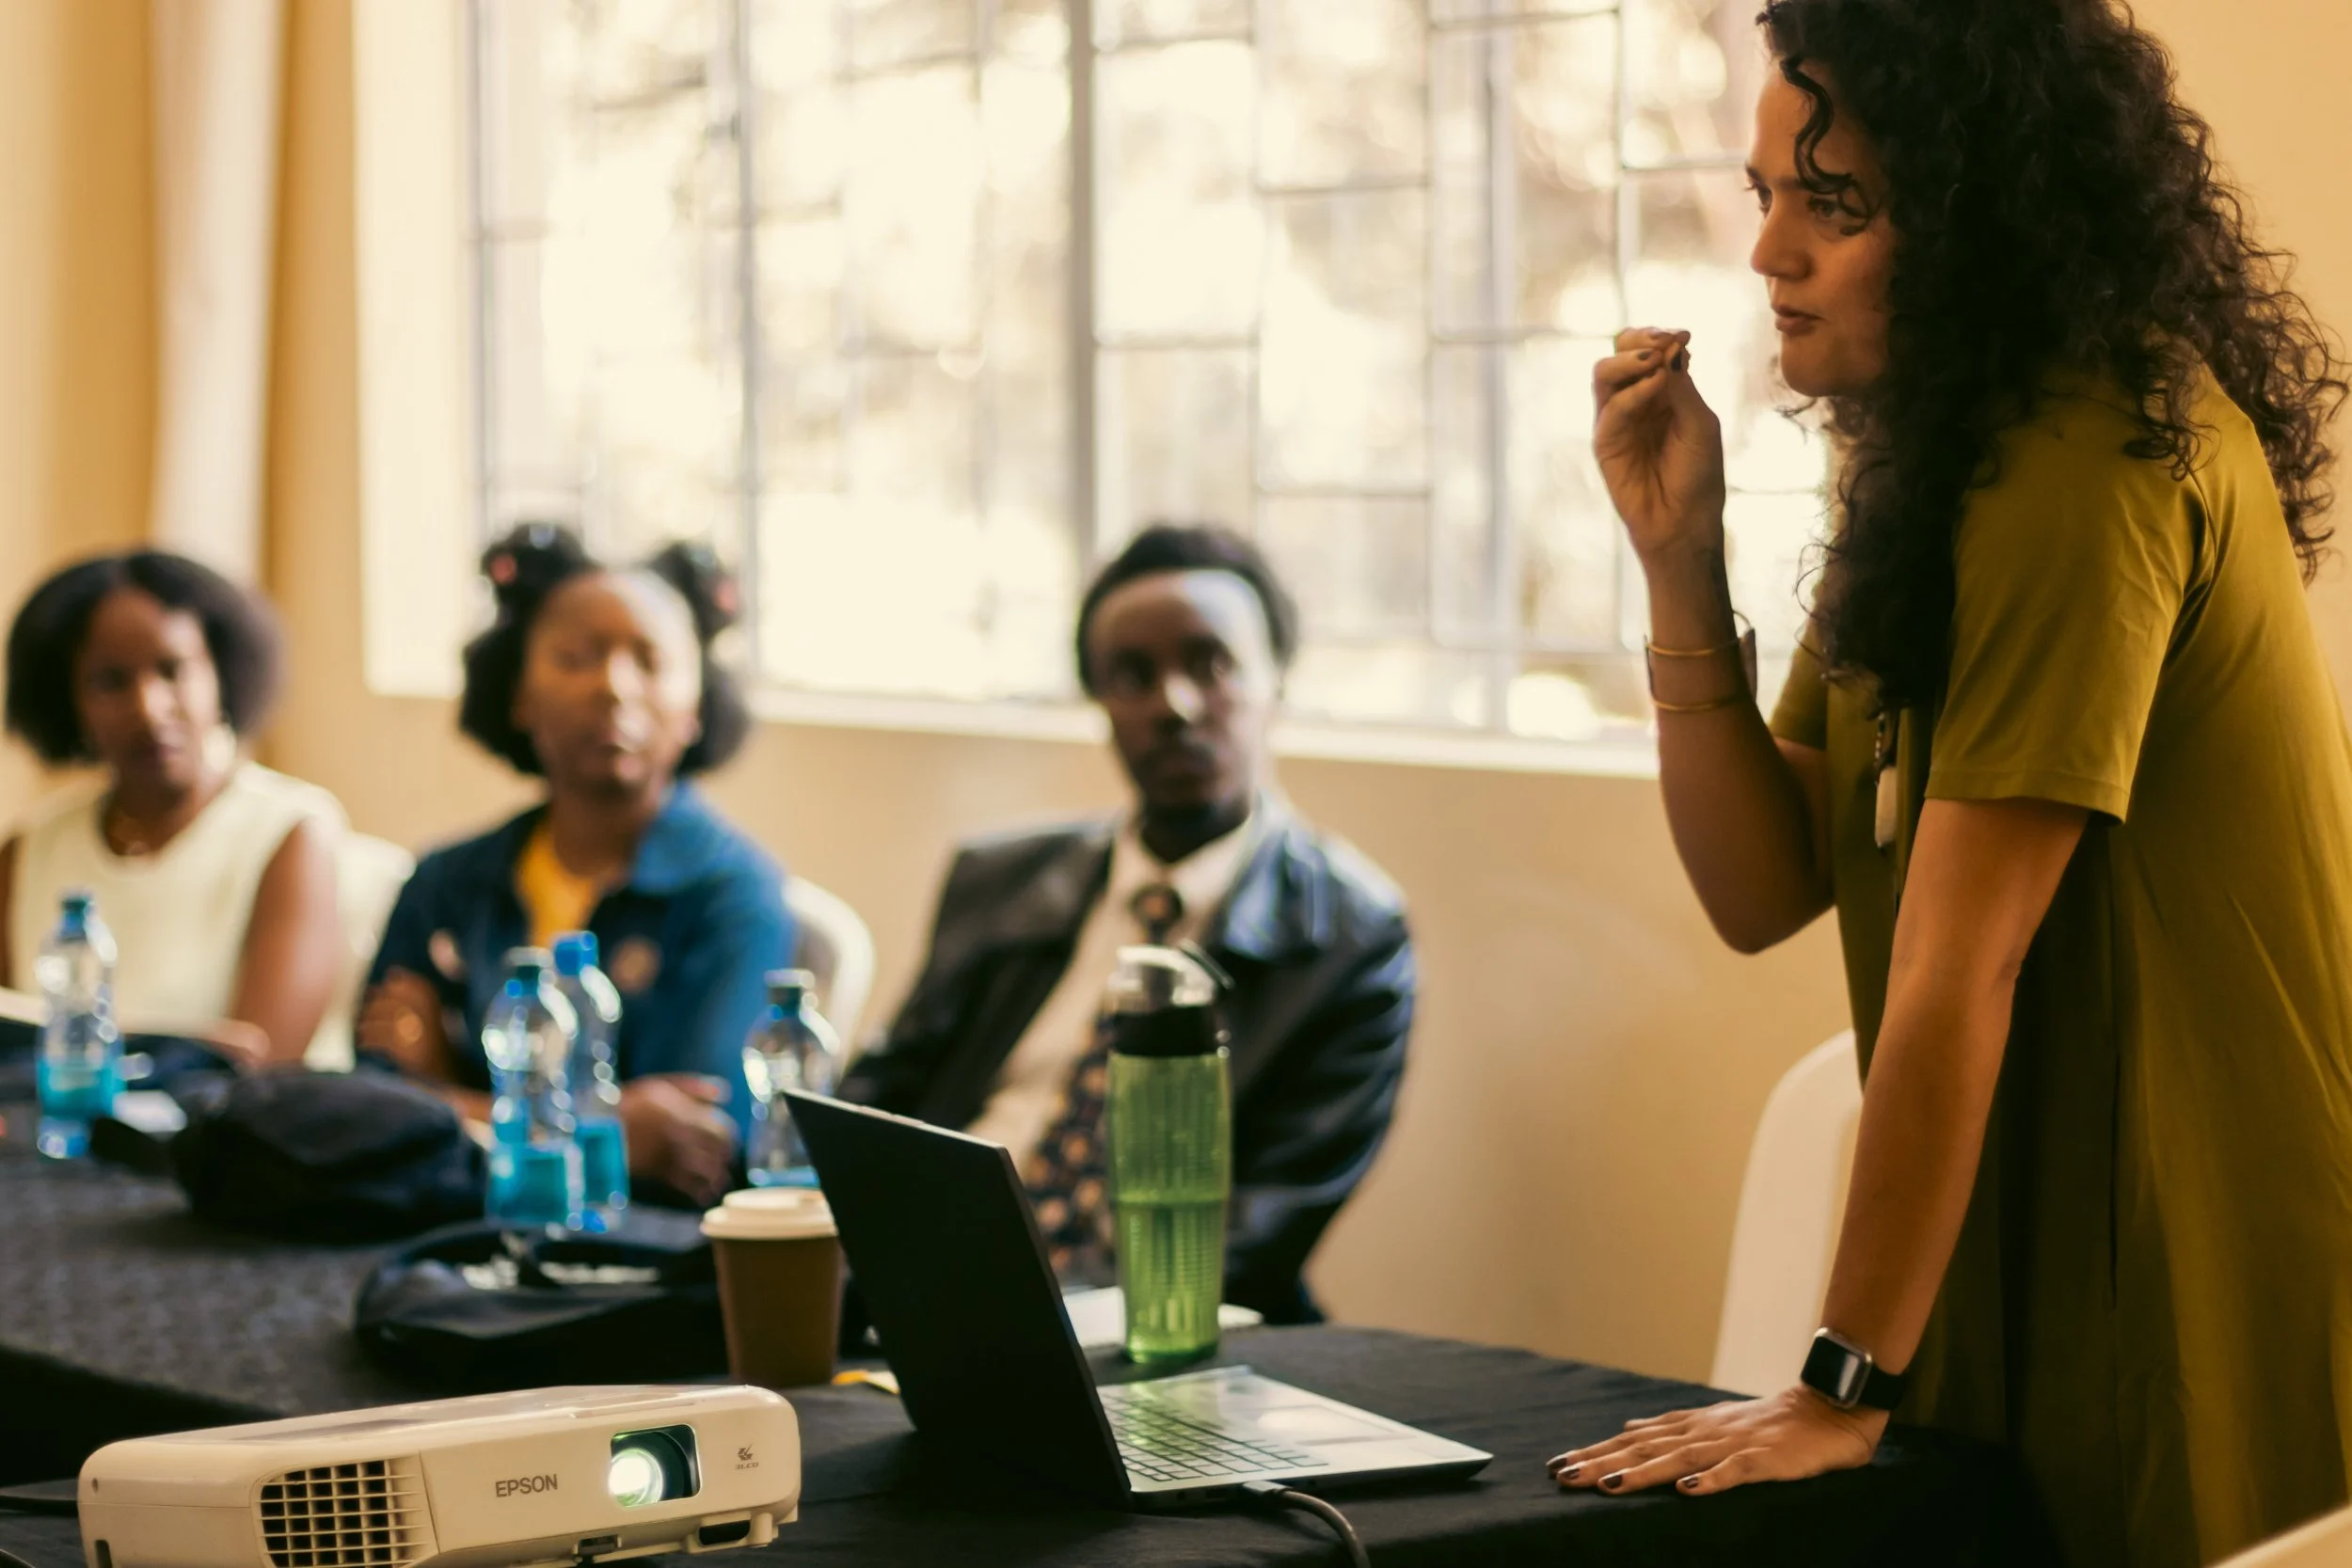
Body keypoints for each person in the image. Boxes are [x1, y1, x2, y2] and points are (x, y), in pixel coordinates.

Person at [1547, 3, 2352, 1563]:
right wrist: (1677, 561)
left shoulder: (2091, 454)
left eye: (1833, 203)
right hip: (2017, 1269)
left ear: (1988, 213)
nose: (1770, 250)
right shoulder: (1931, 457)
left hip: (2178, 1277)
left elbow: (1952, 970)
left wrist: (1836, 1385)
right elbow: (1762, 882)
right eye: (1769, 188)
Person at [842, 523, 1412, 1324]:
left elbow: (1264, 1229)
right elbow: (879, 1106)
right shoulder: (999, 877)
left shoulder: (1350, 936)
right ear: (1100, 702)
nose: (1174, 705)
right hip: (920, 1294)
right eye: (1133, 676)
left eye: (1211, 664)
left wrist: (1032, 1318)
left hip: (1160, 1332)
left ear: (1275, 681)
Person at [359, 524, 792, 1208]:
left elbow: (696, 1149)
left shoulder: (737, 894)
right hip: (439, 1227)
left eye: (649, 660)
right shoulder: (445, 881)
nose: (613, 687)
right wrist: (613, 1124)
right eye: (576, 656)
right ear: (519, 695)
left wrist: (444, 1093)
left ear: (695, 707)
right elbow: (367, 1115)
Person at [0, 551, 346, 1067]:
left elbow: (260, 1069)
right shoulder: (29, 849)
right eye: (110, 681)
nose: (149, 707)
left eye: (172, 670)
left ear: (221, 673)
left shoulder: (290, 834)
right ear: (66, 698)